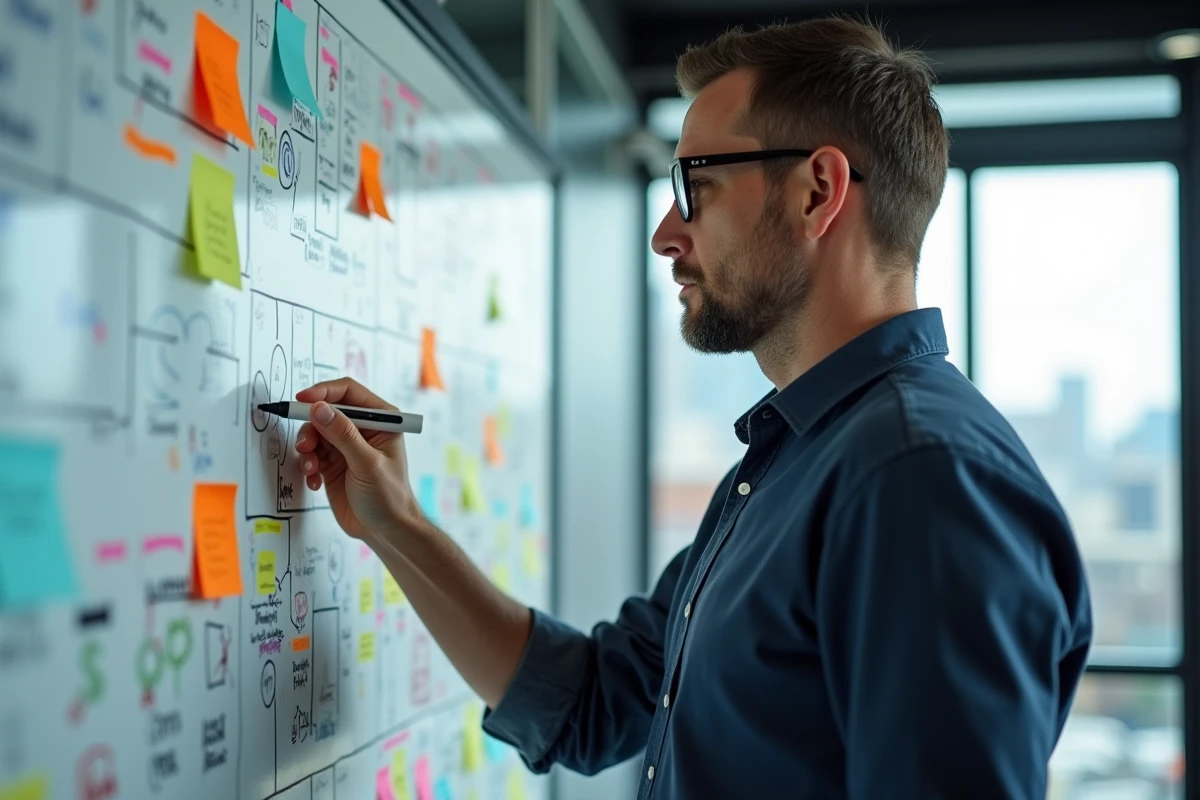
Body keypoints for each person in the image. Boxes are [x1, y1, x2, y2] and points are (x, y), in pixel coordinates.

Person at [292, 16, 1092, 800]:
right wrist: (394, 521)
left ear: (819, 191)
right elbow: (593, 705)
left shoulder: (919, 477)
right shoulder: (793, 459)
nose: (666, 234)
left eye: (696, 187)